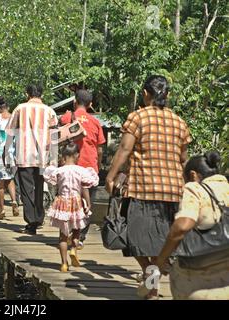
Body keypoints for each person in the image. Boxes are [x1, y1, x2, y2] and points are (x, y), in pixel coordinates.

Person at [105, 75, 192, 299]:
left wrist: (110, 177)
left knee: (135, 239)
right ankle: (152, 282)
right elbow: (184, 159)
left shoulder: (137, 117)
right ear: (168, 95)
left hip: (144, 188)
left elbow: (124, 149)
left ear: (145, 94)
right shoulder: (179, 121)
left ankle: (151, 282)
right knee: (161, 242)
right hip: (172, 190)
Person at [154, 151, 229, 300]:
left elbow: (182, 227)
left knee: (178, 270)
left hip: (201, 279)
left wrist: (161, 260)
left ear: (193, 175)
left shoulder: (195, 189)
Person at [6, 84, 58, 235]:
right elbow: (54, 137)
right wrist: (54, 159)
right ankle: (39, 218)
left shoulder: (20, 108)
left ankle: (31, 222)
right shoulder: (50, 111)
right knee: (39, 188)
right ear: (41, 94)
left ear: (27, 94)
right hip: (43, 157)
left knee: (27, 189)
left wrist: (6, 153)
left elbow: (10, 132)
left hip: (24, 155)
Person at [60, 89, 106, 249]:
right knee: (87, 203)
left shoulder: (68, 117)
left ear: (74, 102)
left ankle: (67, 233)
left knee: (69, 200)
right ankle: (80, 237)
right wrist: (98, 166)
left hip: (70, 168)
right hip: (89, 168)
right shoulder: (95, 122)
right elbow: (100, 149)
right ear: (91, 104)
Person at [44, 143, 99, 271]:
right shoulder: (81, 171)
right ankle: (73, 249)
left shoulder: (58, 171)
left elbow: (55, 185)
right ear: (77, 155)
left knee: (62, 236)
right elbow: (85, 188)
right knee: (76, 230)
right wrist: (88, 203)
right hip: (76, 202)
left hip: (62, 202)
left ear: (63, 156)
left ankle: (63, 264)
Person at [0, 97, 19, 219]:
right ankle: (14, 200)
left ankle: (1, 210)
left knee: (0, 183)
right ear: (8, 107)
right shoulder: (14, 117)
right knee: (10, 179)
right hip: (11, 152)